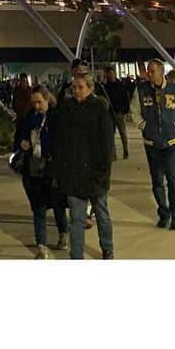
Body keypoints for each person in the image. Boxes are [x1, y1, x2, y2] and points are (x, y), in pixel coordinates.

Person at [52, 73, 115, 259]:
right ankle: (76, 255)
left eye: (80, 87)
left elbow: (107, 145)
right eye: (74, 88)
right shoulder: (67, 109)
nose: (77, 91)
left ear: (90, 88)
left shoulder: (100, 109)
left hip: (96, 174)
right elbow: (60, 141)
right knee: (77, 219)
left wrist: (103, 172)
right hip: (74, 174)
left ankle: (107, 248)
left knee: (102, 214)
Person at [133, 60, 175, 229]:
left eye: (152, 71)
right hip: (152, 143)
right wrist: (144, 126)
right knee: (157, 181)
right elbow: (134, 111)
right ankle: (163, 213)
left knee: (173, 179)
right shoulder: (141, 90)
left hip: (172, 142)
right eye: (148, 71)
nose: (149, 74)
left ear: (160, 72)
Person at [14, 86, 68, 257]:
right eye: (34, 102)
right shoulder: (29, 118)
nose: (36, 106)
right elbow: (18, 138)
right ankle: (42, 246)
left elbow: (62, 143)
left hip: (52, 169)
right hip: (34, 169)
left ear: (47, 99)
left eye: (39, 102)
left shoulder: (56, 117)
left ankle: (63, 234)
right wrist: (22, 143)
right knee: (38, 208)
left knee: (58, 205)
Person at [102, 66, 132, 160]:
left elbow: (126, 98)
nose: (110, 75)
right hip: (109, 113)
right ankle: (113, 153)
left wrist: (125, 110)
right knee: (111, 134)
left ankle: (125, 150)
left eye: (111, 73)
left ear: (114, 73)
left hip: (119, 112)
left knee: (123, 132)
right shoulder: (105, 87)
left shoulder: (120, 85)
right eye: (108, 74)